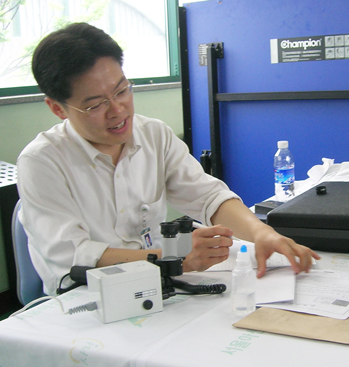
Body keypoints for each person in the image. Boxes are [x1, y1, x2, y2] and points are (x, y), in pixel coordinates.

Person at [17, 22, 320, 296]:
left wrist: (260, 233)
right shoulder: (42, 162)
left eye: (122, 90)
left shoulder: (153, 135)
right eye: (96, 105)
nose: (118, 110)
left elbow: (209, 196)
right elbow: (73, 257)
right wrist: (174, 259)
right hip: (85, 298)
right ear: (58, 109)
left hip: (158, 286)